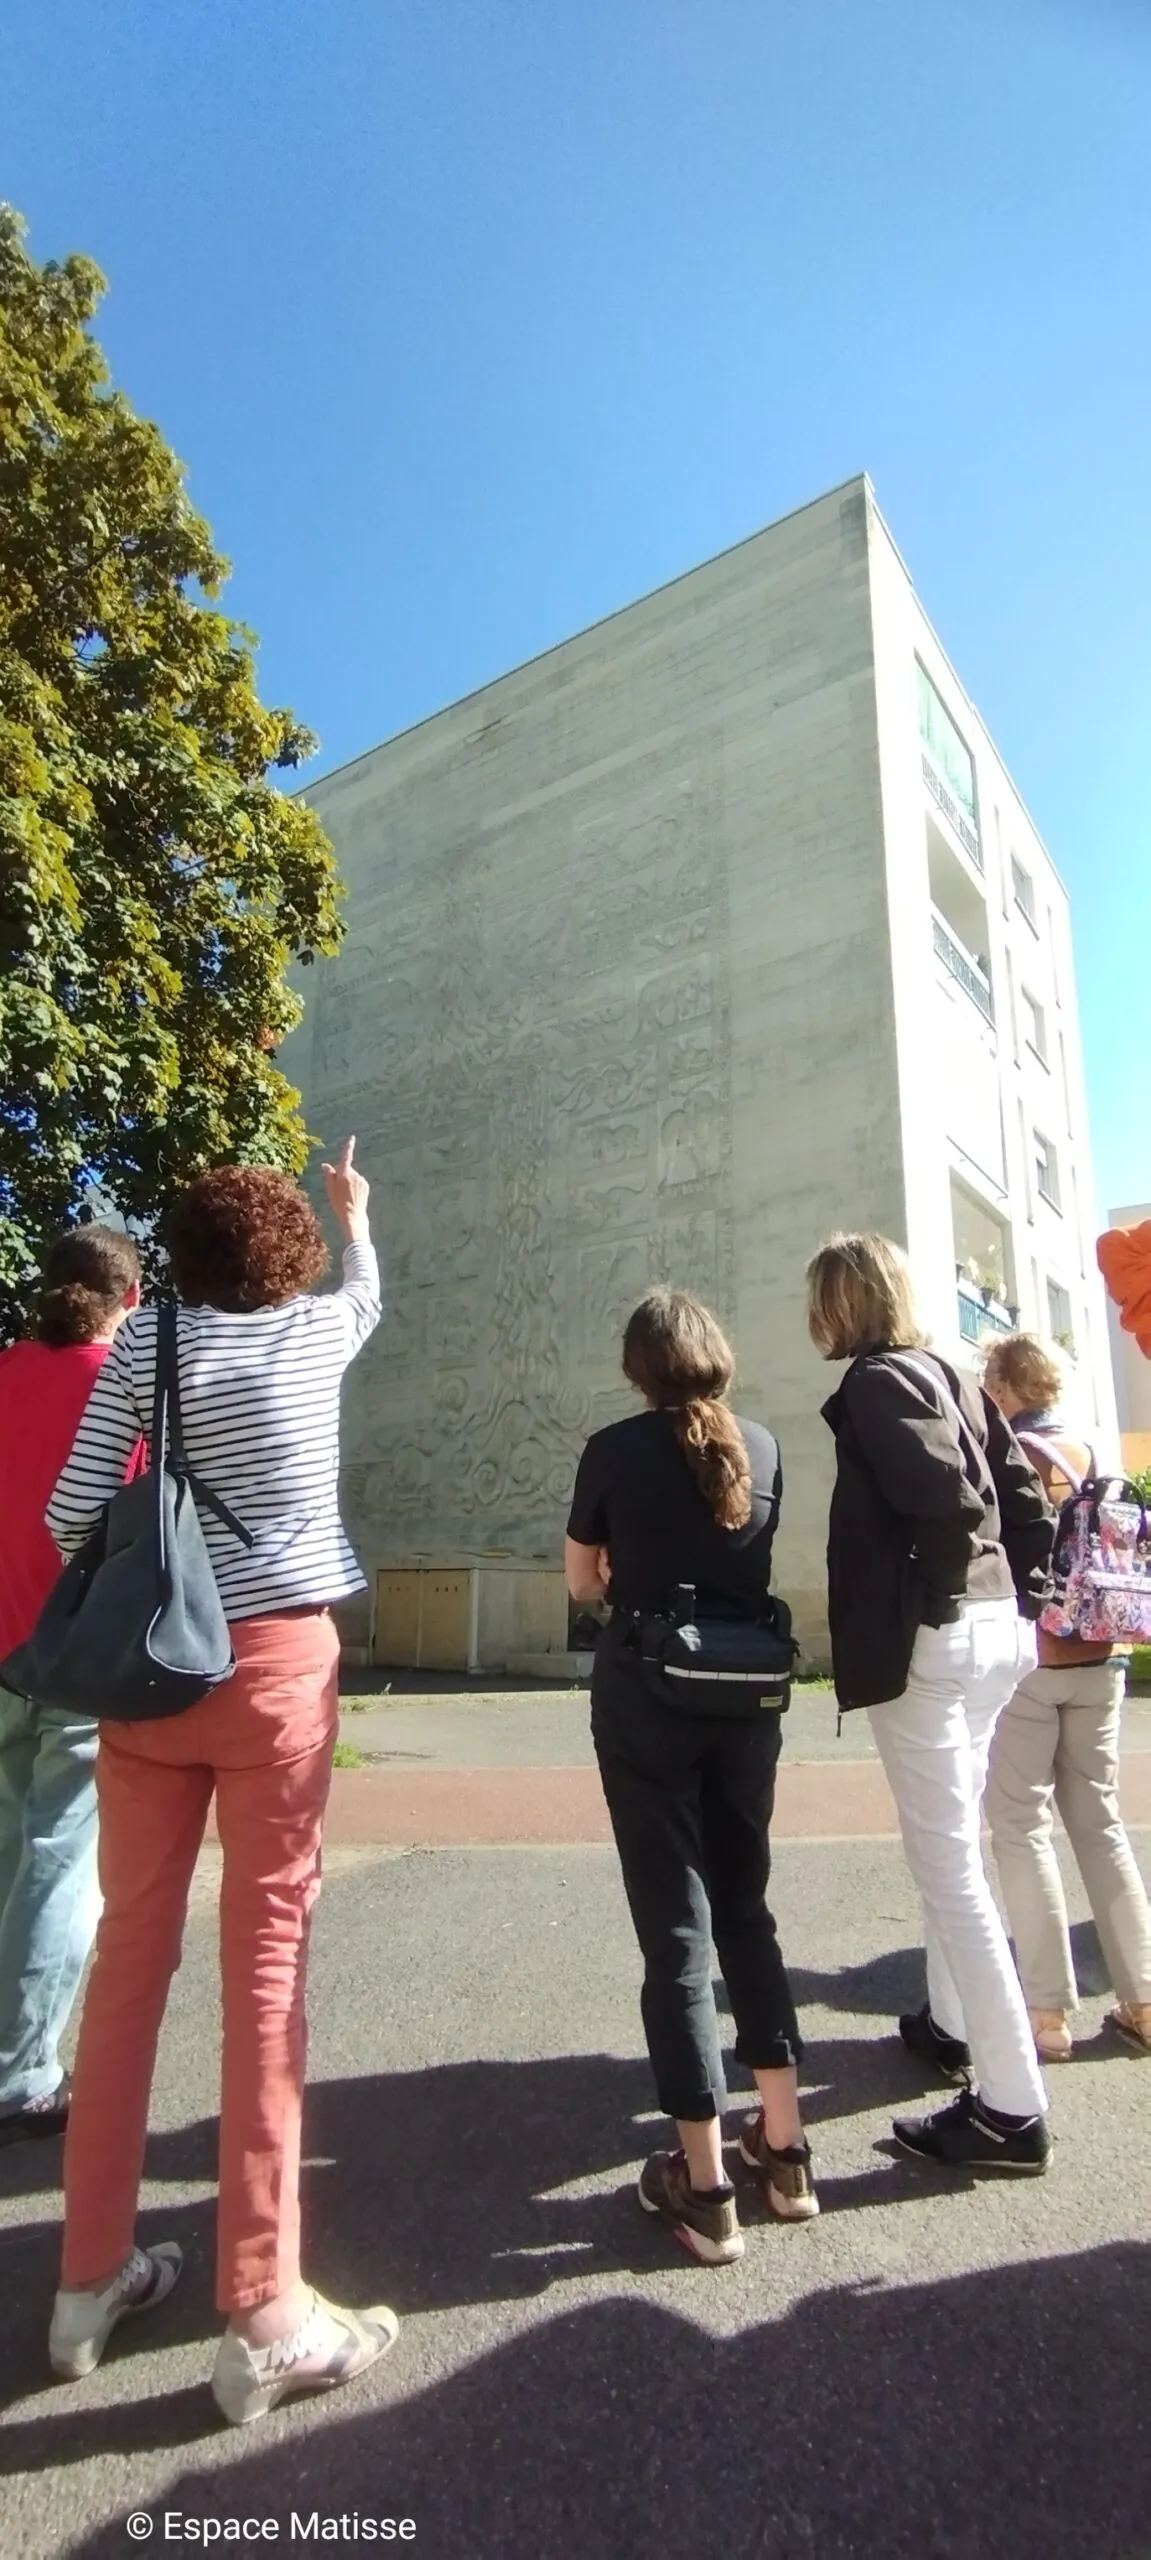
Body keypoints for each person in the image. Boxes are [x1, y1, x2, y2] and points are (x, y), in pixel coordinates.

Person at [44, 1141, 397, 2427]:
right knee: (266, 1969)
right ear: (287, 1254)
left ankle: (87, 2281)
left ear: (182, 1260)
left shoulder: (148, 1346)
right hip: (278, 1675)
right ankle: (264, 2311)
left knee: (130, 1955)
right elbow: (367, 1294)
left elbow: (69, 1517)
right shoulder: (316, 1337)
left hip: (153, 1678)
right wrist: (354, 1213)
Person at [566, 1288, 814, 2266]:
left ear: (638, 1367)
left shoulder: (612, 1449)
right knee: (745, 1906)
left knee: (674, 1923)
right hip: (746, 1693)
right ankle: (784, 2153)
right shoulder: (765, 1443)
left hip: (647, 1689)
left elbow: (583, 1583)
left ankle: (704, 2185)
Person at [808, 1234, 1057, 2174]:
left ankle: (1009, 2108)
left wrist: (943, 1595)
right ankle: (953, 2026)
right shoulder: (952, 1371)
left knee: (947, 1863)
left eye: (820, 1301)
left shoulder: (876, 1381)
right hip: (995, 1634)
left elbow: (944, 1502)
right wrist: (1011, 1595)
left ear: (843, 1304)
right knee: (955, 1847)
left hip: (937, 1638)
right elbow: (1021, 1498)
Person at [0, 1228, 141, 2147]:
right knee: (58, 1860)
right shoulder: (122, 1389)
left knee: (11, 1851)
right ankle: (23, 2077)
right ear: (128, 1300)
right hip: (79, 1654)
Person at [981, 1333, 1151, 2060]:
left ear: (1005, 1385)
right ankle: (1142, 1999)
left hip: (1034, 1660)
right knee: (1100, 1826)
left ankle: (1046, 2016)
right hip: (1102, 1654)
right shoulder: (1086, 1453)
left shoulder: (1005, 1456)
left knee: (1019, 1828)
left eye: (989, 1378)